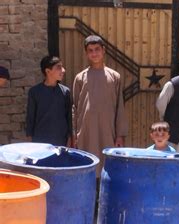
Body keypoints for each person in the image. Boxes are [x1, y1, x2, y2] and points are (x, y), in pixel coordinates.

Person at [72, 35, 128, 175]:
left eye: (97, 49)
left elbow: (119, 107)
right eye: (90, 50)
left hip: (108, 130)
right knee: (86, 164)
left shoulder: (114, 76)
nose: (94, 53)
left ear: (103, 51)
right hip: (86, 131)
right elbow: (74, 107)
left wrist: (120, 134)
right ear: (86, 53)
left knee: (107, 165)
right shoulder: (80, 77)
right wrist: (73, 134)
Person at [26, 56, 72, 146]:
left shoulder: (65, 91)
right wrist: (29, 139)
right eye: (59, 67)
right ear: (48, 71)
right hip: (40, 141)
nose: (63, 70)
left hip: (61, 140)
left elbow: (69, 117)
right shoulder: (34, 92)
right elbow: (30, 118)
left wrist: (70, 138)